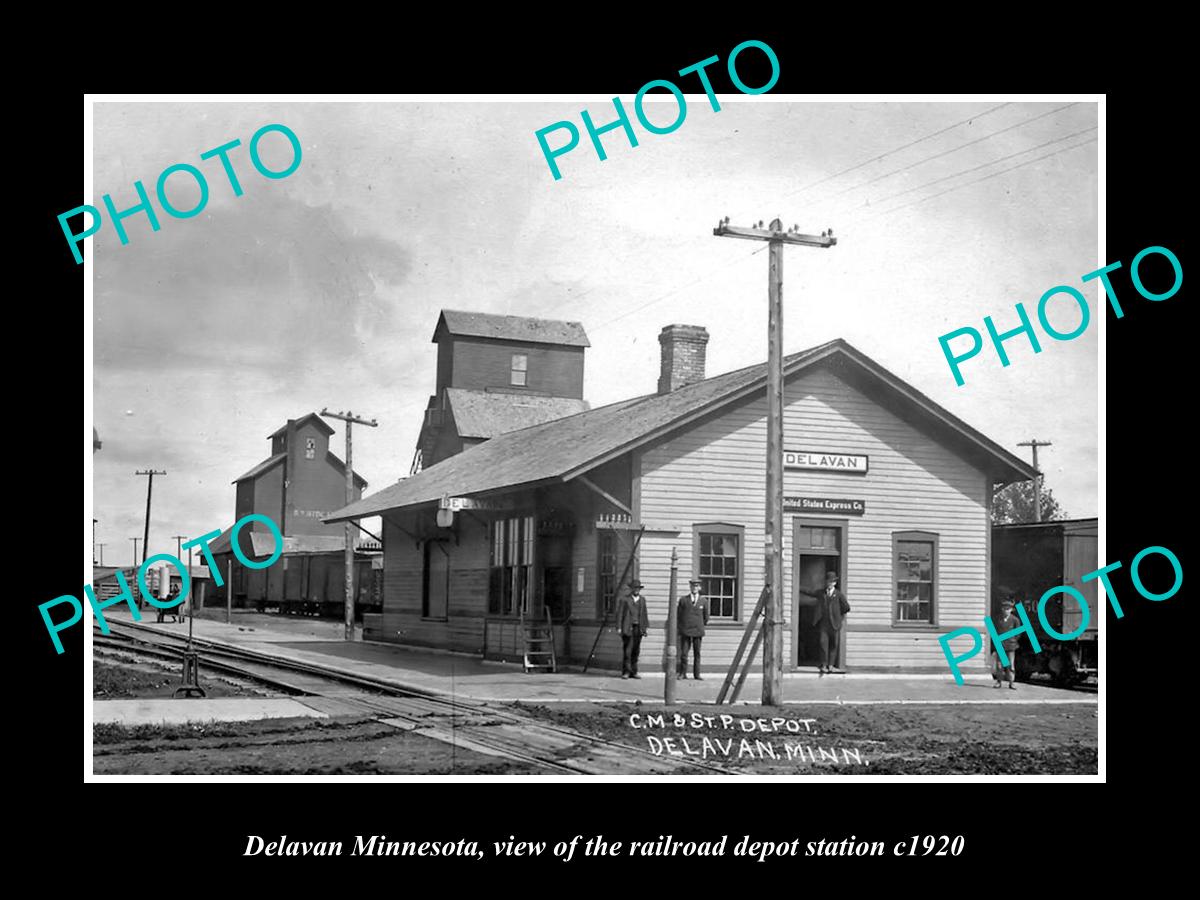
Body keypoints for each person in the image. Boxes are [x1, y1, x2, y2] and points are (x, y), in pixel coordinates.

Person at [812, 571, 849, 675]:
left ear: (835, 583)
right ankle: (824, 665)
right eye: (828, 581)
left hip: (835, 624)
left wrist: (839, 616)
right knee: (823, 644)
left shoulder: (838, 595)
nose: (830, 583)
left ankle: (831, 665)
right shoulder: (821, 593)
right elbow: (811, 592)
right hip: (824, 624)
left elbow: (846, 607)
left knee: (833, 645)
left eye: (832, 582)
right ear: (826, 582)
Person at [616, 580, 650, 679]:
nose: (636, 590)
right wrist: (618, 627)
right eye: (635, 588)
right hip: (627, 627)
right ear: (631, 589)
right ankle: (626, 672)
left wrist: (644, 628)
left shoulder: (642, 600)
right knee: (627, 650)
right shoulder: (625, 599)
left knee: (636, 650)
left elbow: (644, 614)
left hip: (638, 628)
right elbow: (620, 614)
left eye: (638, 588)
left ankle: (634, 672)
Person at [677, 577, 709, 680]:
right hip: (686, 631)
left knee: (697, 653)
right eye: (692, 586)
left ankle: (697, 674)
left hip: (698, 630)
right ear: (690, 587)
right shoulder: (683, 600)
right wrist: (682, 628)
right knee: (684, 653)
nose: (694, 588)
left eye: (696, 586)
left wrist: (700, 625)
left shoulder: (703, 601)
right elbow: (679, 615)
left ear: (699, 588)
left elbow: (706, 617)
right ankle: (682, 673)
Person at [992, 596, 1020, 690]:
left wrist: (1013, 640)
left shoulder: (1015, 620)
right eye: (1004, 609)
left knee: (1011, 666)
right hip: (1000, 646)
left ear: (1011, 610)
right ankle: (998, 682)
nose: (1006, 611)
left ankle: (1012, 683)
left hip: (1011, 646)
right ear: (1002, 609)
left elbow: (1018, 633)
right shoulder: (997, 619)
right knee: (999, 665)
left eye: (1008, 609)